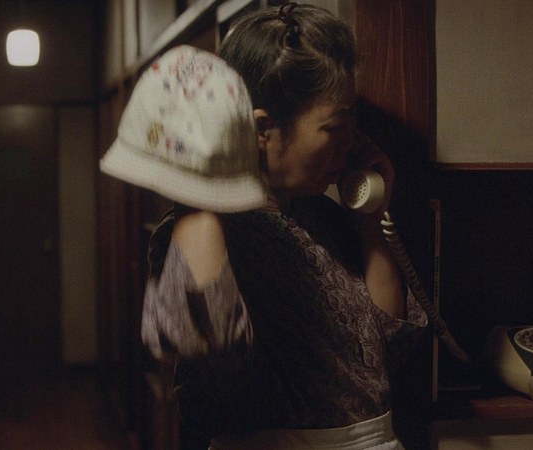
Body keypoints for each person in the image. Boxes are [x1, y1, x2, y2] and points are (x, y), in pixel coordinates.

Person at [107, 4, 428, 449]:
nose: (353, 142)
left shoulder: (326, 217)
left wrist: (370, 220)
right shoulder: (203, 230)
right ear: (262, 129)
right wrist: (200, 182)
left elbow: (391, 345)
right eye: (336, 126)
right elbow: (213, 374)